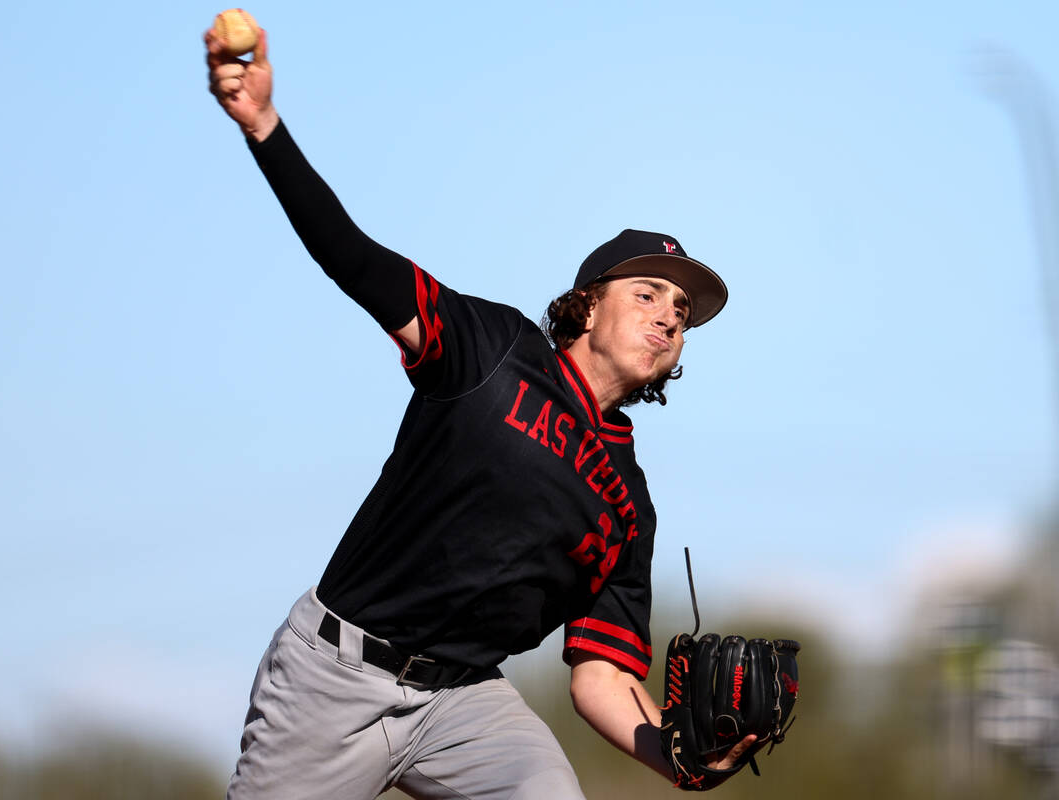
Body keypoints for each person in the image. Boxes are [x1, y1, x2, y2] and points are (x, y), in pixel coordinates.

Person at [205, 20, 752, 800]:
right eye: (646, 293)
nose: (669, 315)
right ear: (587, 305)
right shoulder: (491, 348)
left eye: (682, 313)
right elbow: (353, 257)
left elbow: (603, 671)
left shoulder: (627, 502)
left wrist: (679, 758)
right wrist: (265, 129)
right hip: (335, 674)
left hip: (463, 703)